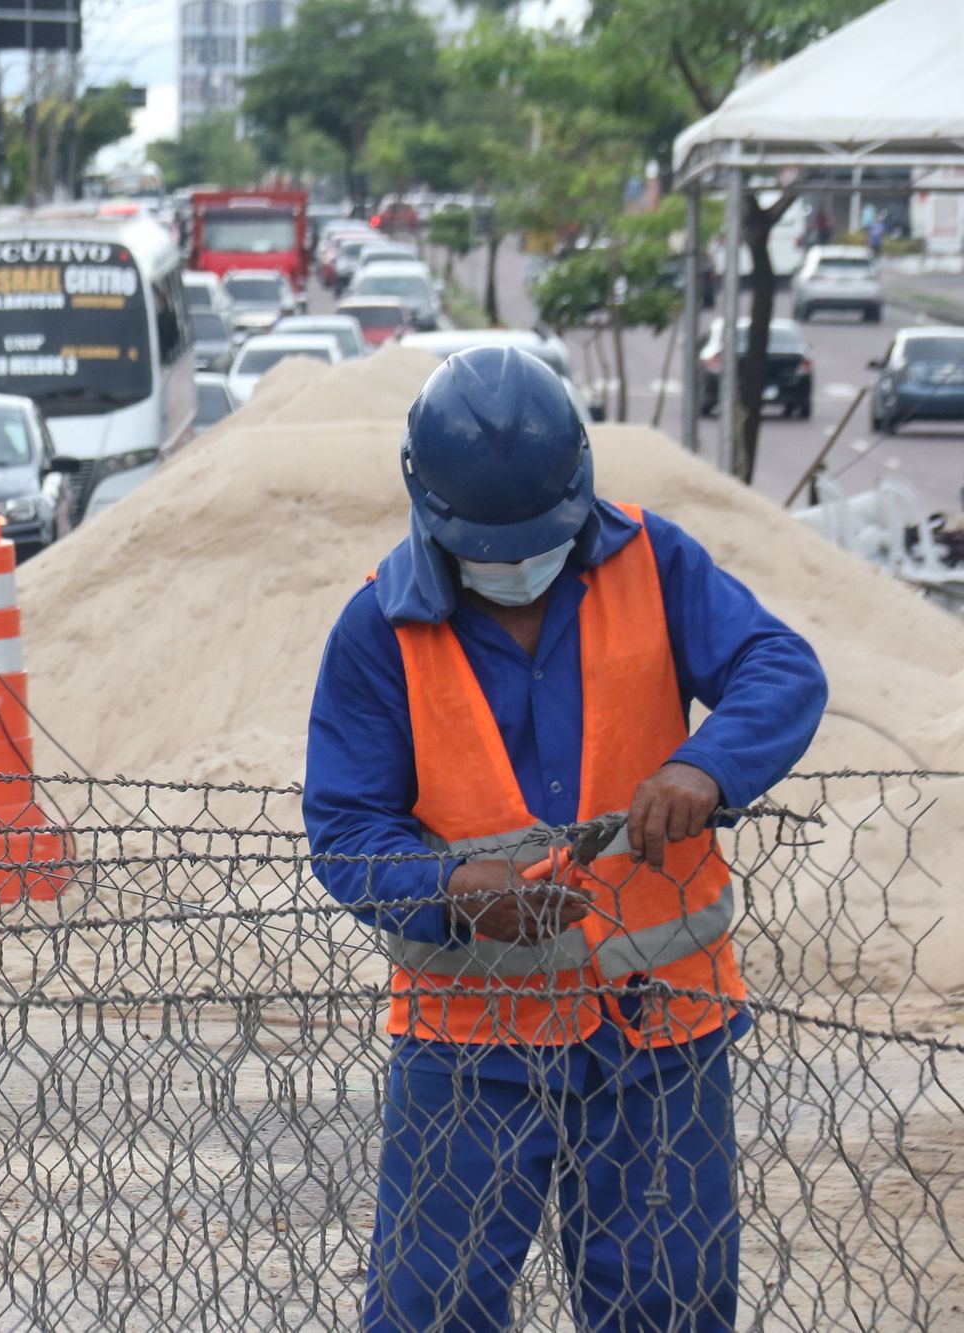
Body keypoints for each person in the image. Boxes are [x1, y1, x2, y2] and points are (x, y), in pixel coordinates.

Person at [303, 346, 826, 1331]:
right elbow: (343, 828)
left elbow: (777, 668)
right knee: (430, 1308)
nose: (515, 567)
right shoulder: (377, 628)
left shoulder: (653, 561)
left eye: (533, 541)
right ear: (429, 510)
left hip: (655, 1031)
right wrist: (454, 891)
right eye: (488, 551)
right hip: (469, 1043)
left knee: (664, 1301)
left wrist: (704, 766)